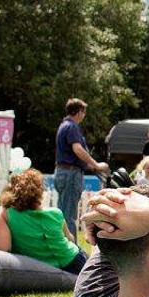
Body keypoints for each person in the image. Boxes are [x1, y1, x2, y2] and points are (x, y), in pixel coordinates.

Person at [0, 170, 87, 273]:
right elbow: (70, 239)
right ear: (39, 193)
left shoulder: (6, 214)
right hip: (75, 260)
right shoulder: (56, 213)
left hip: (45, 269)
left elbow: (4, 249)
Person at [55, 98, 109, 236]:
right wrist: (96, 164)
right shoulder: (72, 126)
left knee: (62, 213)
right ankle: (71, 247)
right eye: (84, 112)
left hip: (62, 171)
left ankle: (60, 242)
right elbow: (78, 149)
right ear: (79, 112)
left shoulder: (63, 125)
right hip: (71, 174)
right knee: (69, 215)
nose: (84, 115)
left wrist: (90, 166)